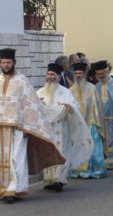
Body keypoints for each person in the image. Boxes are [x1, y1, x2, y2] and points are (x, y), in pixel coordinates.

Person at [0, 49, 65, 203]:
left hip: (18, 128)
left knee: (17, 158)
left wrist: (29, 125)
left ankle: (15, 190)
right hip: (1, 128)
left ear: (14, 63)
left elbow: (32, 104)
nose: (6, 65)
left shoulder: (22, 81)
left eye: (8, 62)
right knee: (2, 159)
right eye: (3, 62)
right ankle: (3, 188)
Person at [37, 63, 93, 192]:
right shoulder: (39, 92)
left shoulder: (65, 92)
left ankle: (59, 180)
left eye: (53, 75)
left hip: (61, 129)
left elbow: (75, 107)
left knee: (62, 152)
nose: (50, 77)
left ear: (58, 77)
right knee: (47, 153)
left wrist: (69, 107)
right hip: (46, 129)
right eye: (49, 74)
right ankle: (49, 180)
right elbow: (33, 107)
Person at [69, 62, 107, 178]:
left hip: (91, 122)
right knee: (79, 147)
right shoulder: (70, 90)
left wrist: (96, 122)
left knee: (93, 147)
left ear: (85, 74)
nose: (78, 75)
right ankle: (79, 170)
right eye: (76, 73)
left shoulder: (92, 88)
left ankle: (97, 170)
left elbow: (97, 107)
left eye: (80, 73)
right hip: (77, 124)